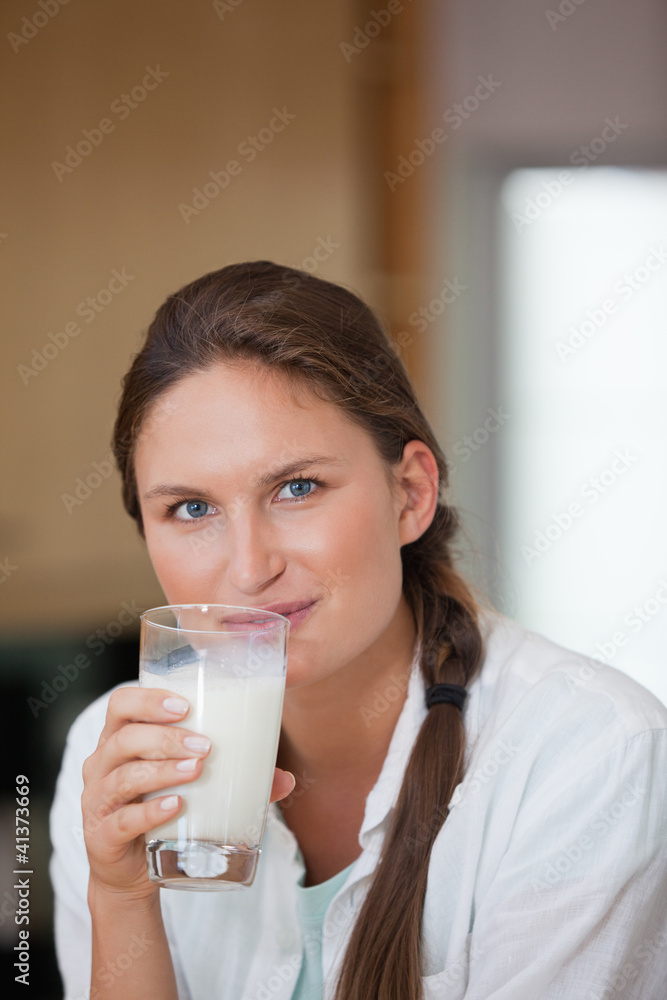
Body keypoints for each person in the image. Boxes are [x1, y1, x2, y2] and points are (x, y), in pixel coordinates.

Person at [50, 261, 667, 1000]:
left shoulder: (585, 753)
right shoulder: (110, 764)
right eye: (190, 508)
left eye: (296, 488)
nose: (248, 569)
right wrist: (121, 900)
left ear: (409, 494)